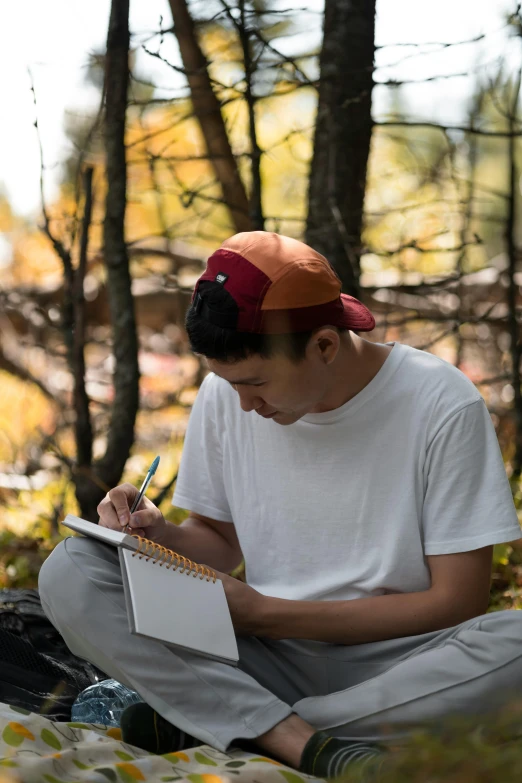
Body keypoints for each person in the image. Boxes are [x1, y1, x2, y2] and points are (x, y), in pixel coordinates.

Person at [39, 231, 522, 781]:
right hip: (257, 658)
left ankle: (233, 725)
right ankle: (304, 741)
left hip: (406, 662)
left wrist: (265, 611)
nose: (245, 403)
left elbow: (457, 602)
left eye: (257, 382)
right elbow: (216, 543)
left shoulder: (441, 402)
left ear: (324, 345)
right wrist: (157, 536)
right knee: (69, 571)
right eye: (230, 384)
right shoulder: (227, 396)